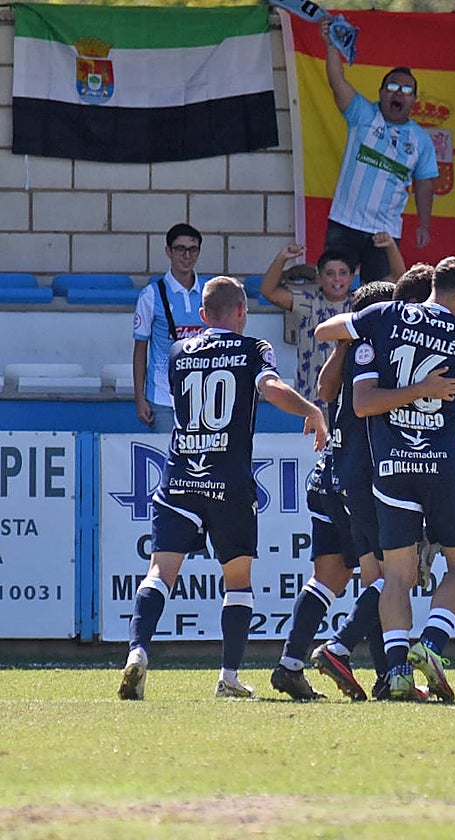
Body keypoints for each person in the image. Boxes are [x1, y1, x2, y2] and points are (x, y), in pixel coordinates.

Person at [119, 276, 328, 701]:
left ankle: (138, 650)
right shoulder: (254, 349)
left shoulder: (179, 351)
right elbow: (270, 389)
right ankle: (229, 676)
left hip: (179, 477)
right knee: (237, 581)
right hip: (228, 481)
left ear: (202, 315)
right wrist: (312, 410)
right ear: (241, 313)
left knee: (160, 571)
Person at [314, 256, 455, 703]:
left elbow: (325, 336)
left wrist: (355, 332)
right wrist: (427, 392)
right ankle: (429, 644)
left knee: (397, 575)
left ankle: (396, 673)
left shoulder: (384, 318)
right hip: (442, 467)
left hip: (390, 469)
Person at [270, 279, 403, 702]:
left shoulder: (349, 352)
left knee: (328, 577)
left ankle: (291, 664)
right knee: (385, 575)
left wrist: (343, 346)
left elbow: (324, 392)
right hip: (357, 478)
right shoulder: (378, 351)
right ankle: (366, 663)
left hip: (328, 475)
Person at [320, 19, 437, 283]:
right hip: (344, 223)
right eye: (393, 87)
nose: (399, 93)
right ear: (382, 92)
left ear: (414, 100)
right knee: (334, 288)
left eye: (407, 90)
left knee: (380, 294)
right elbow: (337, 81)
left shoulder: (421, 139)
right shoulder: (363, 114)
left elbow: (424, 184)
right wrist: (331, 45)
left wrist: (424, 224)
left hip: (384, 232)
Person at [260, 236, 406, 405]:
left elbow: (398, 282)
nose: (337, 279)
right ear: (319, 278)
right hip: (312, 398)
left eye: (343, 273)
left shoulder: (361, 302)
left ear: (352, 277)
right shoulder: (308, 302)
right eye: (330, 274)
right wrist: (282, 257)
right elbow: (268, 291)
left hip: (349, 400)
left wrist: (390, 247)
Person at [133, 223, 209, 434]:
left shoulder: (210, 291)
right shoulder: (150, 295)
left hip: (204, 396)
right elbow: (140, 349)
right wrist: (140, 398)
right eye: (180, 249)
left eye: (192, 250)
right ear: (168, 251)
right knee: (166, 461)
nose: (187, 256)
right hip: (163, 397)